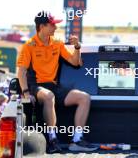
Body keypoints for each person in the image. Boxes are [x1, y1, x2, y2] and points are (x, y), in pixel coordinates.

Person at [17, 11, 98, 153]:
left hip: (54, 86)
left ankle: (77, 140)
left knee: (84, 97)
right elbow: (21, 72)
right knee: (49, 96)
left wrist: (77, 47)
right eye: (53, 25)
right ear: (42, 26)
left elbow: (75, 62)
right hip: (36, 86)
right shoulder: (29, 45)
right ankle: (52, 139)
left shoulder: (57, 43)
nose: (56, 28)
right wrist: (25, 92)